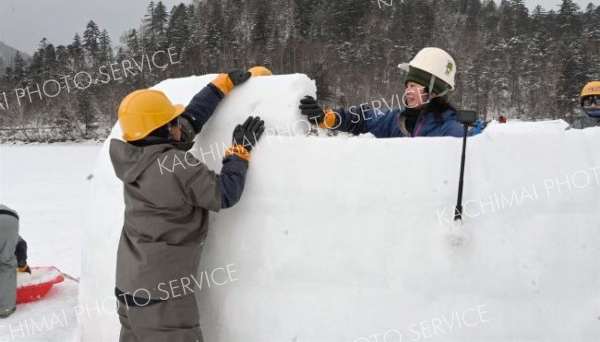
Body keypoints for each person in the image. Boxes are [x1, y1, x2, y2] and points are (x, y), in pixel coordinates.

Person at [110, 70, 265, 342]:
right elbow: (224, 194)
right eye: (172, 122)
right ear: (163, 131)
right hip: (163, 298)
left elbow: (189, 121)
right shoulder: (177, 166)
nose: (178, 125)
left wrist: (220, 86)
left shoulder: (134, 159)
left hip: (129, 289)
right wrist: (239, 152)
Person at [299, 47, 463, 138]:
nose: (407, 91)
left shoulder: (451, 132)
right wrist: (328, 117)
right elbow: (363, 118)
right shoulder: (396, 120)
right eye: (407, 86)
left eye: (414, 86)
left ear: (434, 92)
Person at [0, 205, 30, 319]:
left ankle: (4, 307)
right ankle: (5, 308)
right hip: (11, 218)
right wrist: (22, 265)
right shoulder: (14, 239)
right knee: (6, 263)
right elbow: (21, 246)